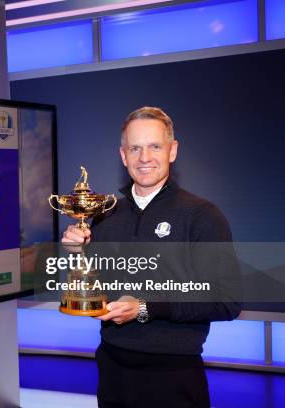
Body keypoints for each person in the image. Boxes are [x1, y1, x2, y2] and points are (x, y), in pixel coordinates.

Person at [61, 107, 241, 408]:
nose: (144, 158)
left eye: (155, 146)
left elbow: (226, 300)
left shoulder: (202, 215)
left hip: (173, 376)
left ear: (172, 151)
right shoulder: (104, 215)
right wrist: (76, 254)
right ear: (123, 155)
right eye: (135, 148)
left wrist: (144, 308)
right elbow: (96, 284)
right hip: (112, 369)